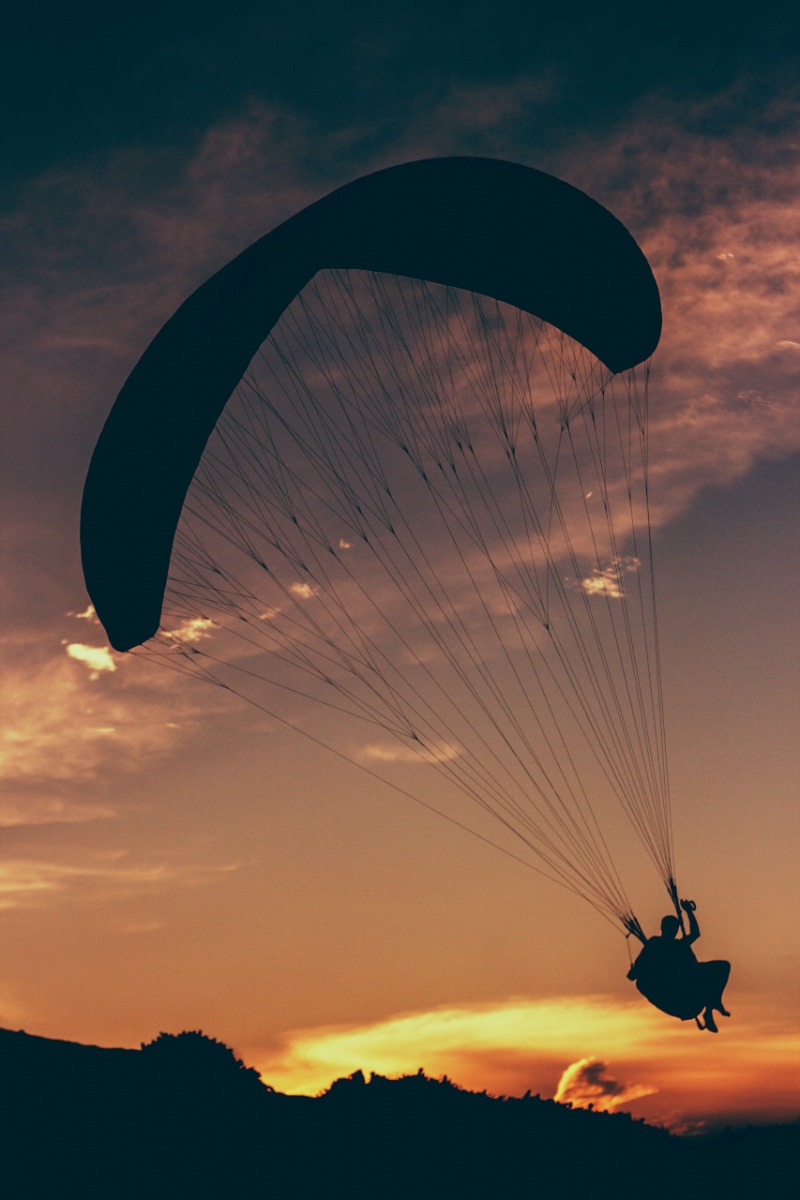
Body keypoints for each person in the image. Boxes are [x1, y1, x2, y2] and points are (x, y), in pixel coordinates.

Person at [627, 899, 731, 1032]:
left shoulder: (671, 945)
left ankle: (710, 1008)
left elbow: (695, 934)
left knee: (723, 967)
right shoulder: (658, 945)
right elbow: (695, 934)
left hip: (689, 998)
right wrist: (688, 912)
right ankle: (710, 1007)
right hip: (679, 1001)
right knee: (722, 967)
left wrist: (688, 911)